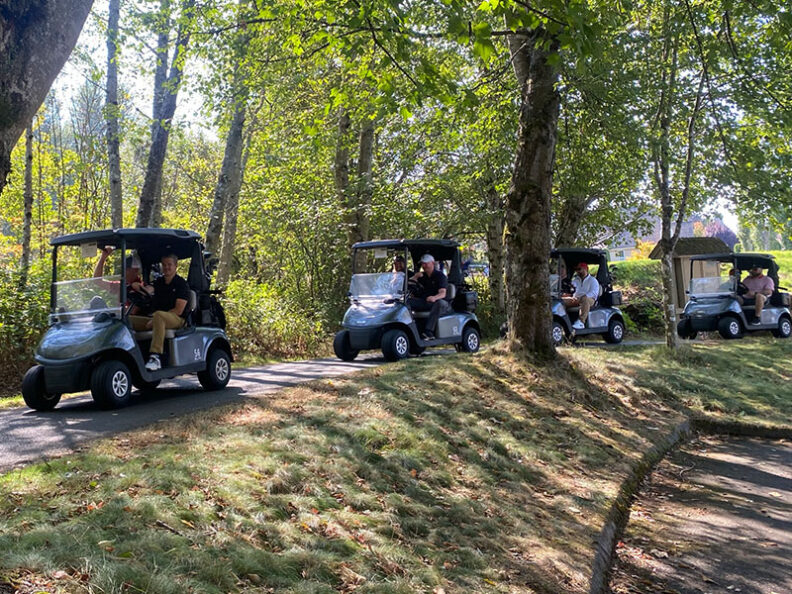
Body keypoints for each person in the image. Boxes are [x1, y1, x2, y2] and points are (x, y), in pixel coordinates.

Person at [130, 253, 191, 371]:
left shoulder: (181, 284)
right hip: (158, 319)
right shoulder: (159, 281)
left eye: (169, 265)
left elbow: (178, 310)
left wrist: (155, 319)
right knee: (127, 319)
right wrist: (137, 287)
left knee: (158, 315)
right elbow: (148, 290)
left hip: (177, 320)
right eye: (164, 265)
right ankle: (131, 355)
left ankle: (155, 357)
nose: (166, 267)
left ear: (175, 266)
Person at [408, 253, 450, 340]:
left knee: (439, 303)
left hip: (439, 303)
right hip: (425, 301)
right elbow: (409, 284)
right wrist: (415, 277)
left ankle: (429, 332)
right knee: (406, 302)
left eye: (426, 263)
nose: (424, 266)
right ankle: (410, 330)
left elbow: (443, 293)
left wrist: (434, 297)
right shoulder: (421, 276)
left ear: (432, 263)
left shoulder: (440, 276)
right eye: (423, 263)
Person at [562, 262, 600, 330]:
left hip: (589, 299)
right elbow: (572, 290)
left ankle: (581, 322)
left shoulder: (593, 280)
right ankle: (561, 321)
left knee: (584, 299)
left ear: (586, 269)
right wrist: (567, 294)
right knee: (561, 300)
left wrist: (583, 297)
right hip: (576, 299)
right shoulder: (575, 280)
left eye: (579, 269)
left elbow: (594, 293)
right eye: (576, 270)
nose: (578, 271)